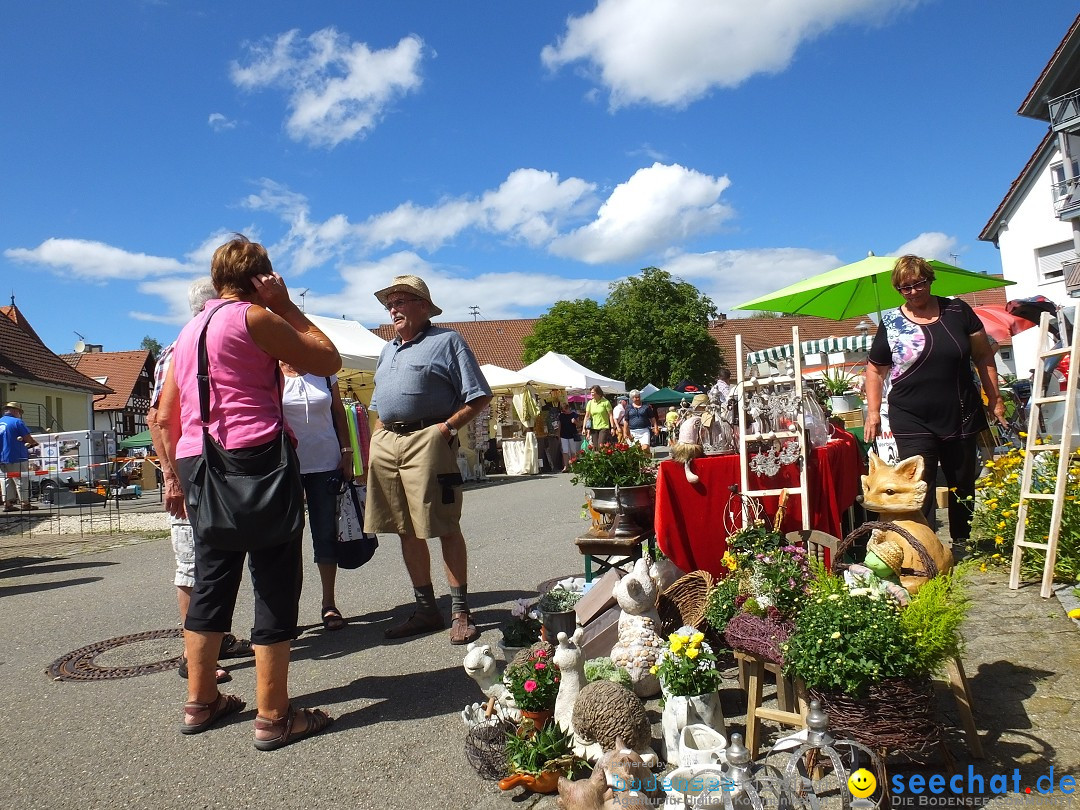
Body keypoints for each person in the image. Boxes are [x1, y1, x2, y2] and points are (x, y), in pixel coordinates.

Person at [156, 235, 339, 748]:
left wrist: (176, 471)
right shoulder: (254, 318)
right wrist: (285, 305)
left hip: (199, 459)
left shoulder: (188, 331)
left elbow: (167, 414)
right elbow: (328, 360)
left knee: (212, 577)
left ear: (216, 279)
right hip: (255, 457)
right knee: (275, 577)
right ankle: (274, 715)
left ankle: (200, 702)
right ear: (261, 277)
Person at [364, 274, 493, 645]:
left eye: (401, 300)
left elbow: (479, 395)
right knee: (404, 528)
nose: (393, 308)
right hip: (388, 440)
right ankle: (425, 609)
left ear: (424, 306)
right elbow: (378, 405)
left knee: (444, 524)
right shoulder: (387, 350)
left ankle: (460, 611)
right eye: (390, 303)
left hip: (429, 438)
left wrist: (446, 430)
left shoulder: (447, 341)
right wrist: (376, 437)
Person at [147, 278, 251, 685]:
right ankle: (195, 661)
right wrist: (172, 478)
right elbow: (159, 419)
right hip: (192, 475)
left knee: (214, 562)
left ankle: (216, 639)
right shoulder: (178, 351)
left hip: (212, 473)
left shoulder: (206, 346)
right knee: (193, 565)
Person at [863, 255, 1004, 546]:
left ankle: (961, 541)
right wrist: (873, 413)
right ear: (898, 289)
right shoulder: (890, 322)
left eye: (919, 284)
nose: (913, 292)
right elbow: (875, 369)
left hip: (961, 410)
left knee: (962, 482)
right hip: (911, 416)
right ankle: (922, 547)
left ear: (930, 280)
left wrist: (995, 398)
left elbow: (982, 355)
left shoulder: (957, 310)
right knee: (918, 483)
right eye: (905, 288)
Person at [280, 362, 355, 631]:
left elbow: (338, 412)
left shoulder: (323, 370)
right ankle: (286, 612)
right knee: (286, 539)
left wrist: (347, 452)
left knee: (325, 533)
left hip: (325, 462)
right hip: (285, 465)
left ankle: (329, 603)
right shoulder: (271, 371)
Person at [0, 402, 38, 512]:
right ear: (16, 411)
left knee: (5, 480)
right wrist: (34, 443)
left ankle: (7, 504)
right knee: (21, 479)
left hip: (1, 457)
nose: (20, 415)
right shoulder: (17, 422)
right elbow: (28, 438)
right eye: (20, 412)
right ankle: (25, 503)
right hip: (17, 455)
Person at [623, 389, 659, 454]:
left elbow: (652, 418)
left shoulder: (646, 406)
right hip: (632, 432)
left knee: (645, 448)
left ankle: (647, 462)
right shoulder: (628, 407)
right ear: (631, 398)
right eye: (635, 397)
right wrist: (625, 433)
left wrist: (656, 428)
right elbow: (626, 421)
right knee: (635, 450)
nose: (637, 399)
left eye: (638, 397)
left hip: (644, 430)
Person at [558, 401, 581, 472]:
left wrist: (575, 422)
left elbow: (579, 425)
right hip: (563, 435)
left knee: (573, 451)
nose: (565, 412)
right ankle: (566, 466)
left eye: (565, 410)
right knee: (565, 451)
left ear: (568, 408)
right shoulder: (561, 416)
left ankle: (574, 466)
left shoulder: (574, 414)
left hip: (572, 435)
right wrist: (558, 435)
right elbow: (559, 426)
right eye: (563, 411)